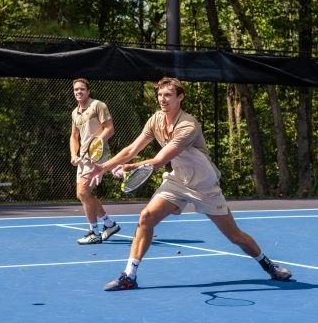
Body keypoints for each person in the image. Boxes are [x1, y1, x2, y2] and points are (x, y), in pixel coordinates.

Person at [85, 77, 292, 290]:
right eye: (159, 95)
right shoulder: (155, 120)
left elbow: (159, 161)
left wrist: (129, 167)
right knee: (146, 217)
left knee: (235, 236)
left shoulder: (188, 125)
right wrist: (104, 167)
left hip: (204, 185)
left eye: (168, 95)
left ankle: (268, 266)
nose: (162, 99)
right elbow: (132, 149)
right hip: (177, 180)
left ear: (180, 97)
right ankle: (129, 275)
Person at [70, 78, 121, 244]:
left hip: (97, 156)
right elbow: (74, 136)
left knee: (83, 193)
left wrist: (97, 143)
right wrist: (73, 154)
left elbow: (110, 128)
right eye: (76, 89)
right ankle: (109, 224)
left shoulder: (98, 105)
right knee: (84, 194)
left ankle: (95, 232)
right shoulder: (74, 113)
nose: (79, 92)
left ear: (88, 91)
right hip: (83, 158)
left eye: (82, 89)